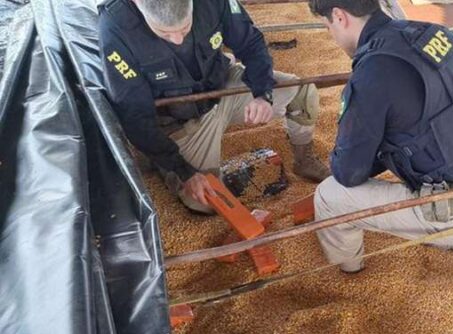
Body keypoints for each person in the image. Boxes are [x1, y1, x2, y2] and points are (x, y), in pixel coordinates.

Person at [309, 0, 453, 292]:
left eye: (328, 26)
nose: (332, 35)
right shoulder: (432, 33)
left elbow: (349, 172)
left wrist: (356, 153)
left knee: (329, 195)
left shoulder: (373, 71)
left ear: (339, 16)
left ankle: (349, 274)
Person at [98, 0, 330, 214]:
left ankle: (304, 160)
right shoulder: (115, 27)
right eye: (165, 33)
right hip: (181, 122)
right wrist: (184, 171)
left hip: (223, 87)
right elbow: (135, 116)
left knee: (301, 91)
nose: (178, 39)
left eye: (185, 27)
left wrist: (263, 94)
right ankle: (162, 164)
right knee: (205, 202)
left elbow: (250, 42)